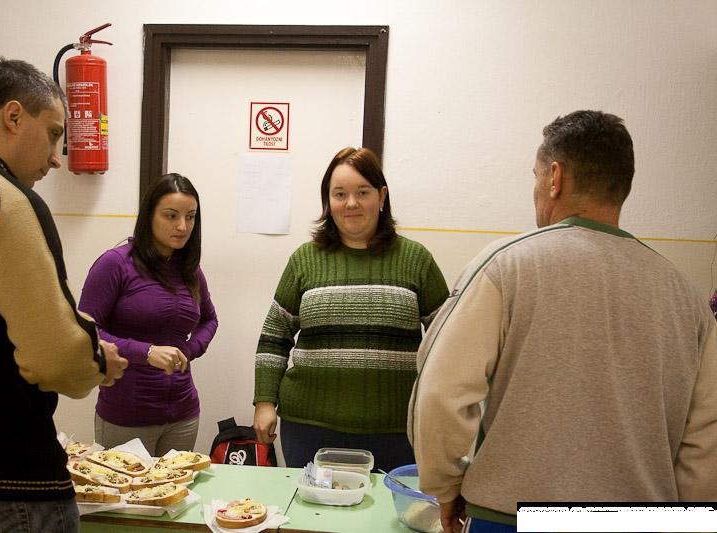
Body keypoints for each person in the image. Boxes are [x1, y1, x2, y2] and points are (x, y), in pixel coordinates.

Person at [408, 110, 717, 533]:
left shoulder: (506, 267)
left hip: (512, 516)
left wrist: (445, 485)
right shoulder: (687, 297)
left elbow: (441, 394)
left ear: (555, 178)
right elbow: (705, 439)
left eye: (536, 175)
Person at [0, 58, 128, 532]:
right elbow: (57, 358)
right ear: (13, 116)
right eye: (53, 135)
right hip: (4, 484)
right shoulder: (6, 199)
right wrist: (97, 360)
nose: (56, 158)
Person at [253, 147, 449, 472]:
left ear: (381, 196)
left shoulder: (416, 259)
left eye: (363, 192)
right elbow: (274, 337)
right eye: (340, 194)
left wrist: (443, 407)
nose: (351, 203)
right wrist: (264, 402)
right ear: (328, 201)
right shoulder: (304, 260)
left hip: (397, 431)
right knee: (313, 507)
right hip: (309, 429)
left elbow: (448, 340)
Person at [79, 173, 218, 456]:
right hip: (126, 414)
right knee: (125, 486)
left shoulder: (190, 270)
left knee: (177, 485)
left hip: (182, 415)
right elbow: (84, 332)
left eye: (191, 217)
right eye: (171, 215)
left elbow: (209, 319)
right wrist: (147, 352)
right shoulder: (115, 263)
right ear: (149, 215)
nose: (182, 226)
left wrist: (188, 350)